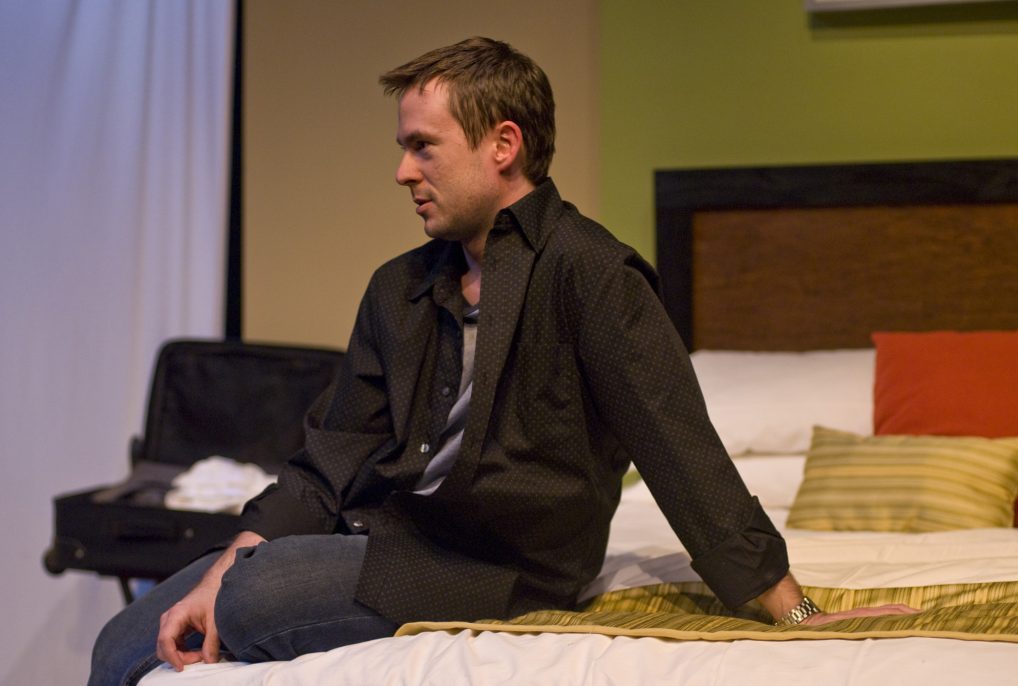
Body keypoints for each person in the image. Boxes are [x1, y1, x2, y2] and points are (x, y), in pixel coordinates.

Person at [89, 36, 913, 685]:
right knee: (128, 633)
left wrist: (795, 612)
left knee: (256, 592)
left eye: (424, 146)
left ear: (503, 145)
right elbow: (330, 459)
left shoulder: (592, 274)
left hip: (497, 570)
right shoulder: (400, 288)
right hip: (380, 535)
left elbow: (680, 451)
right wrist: (231, 559)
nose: (402, 171)